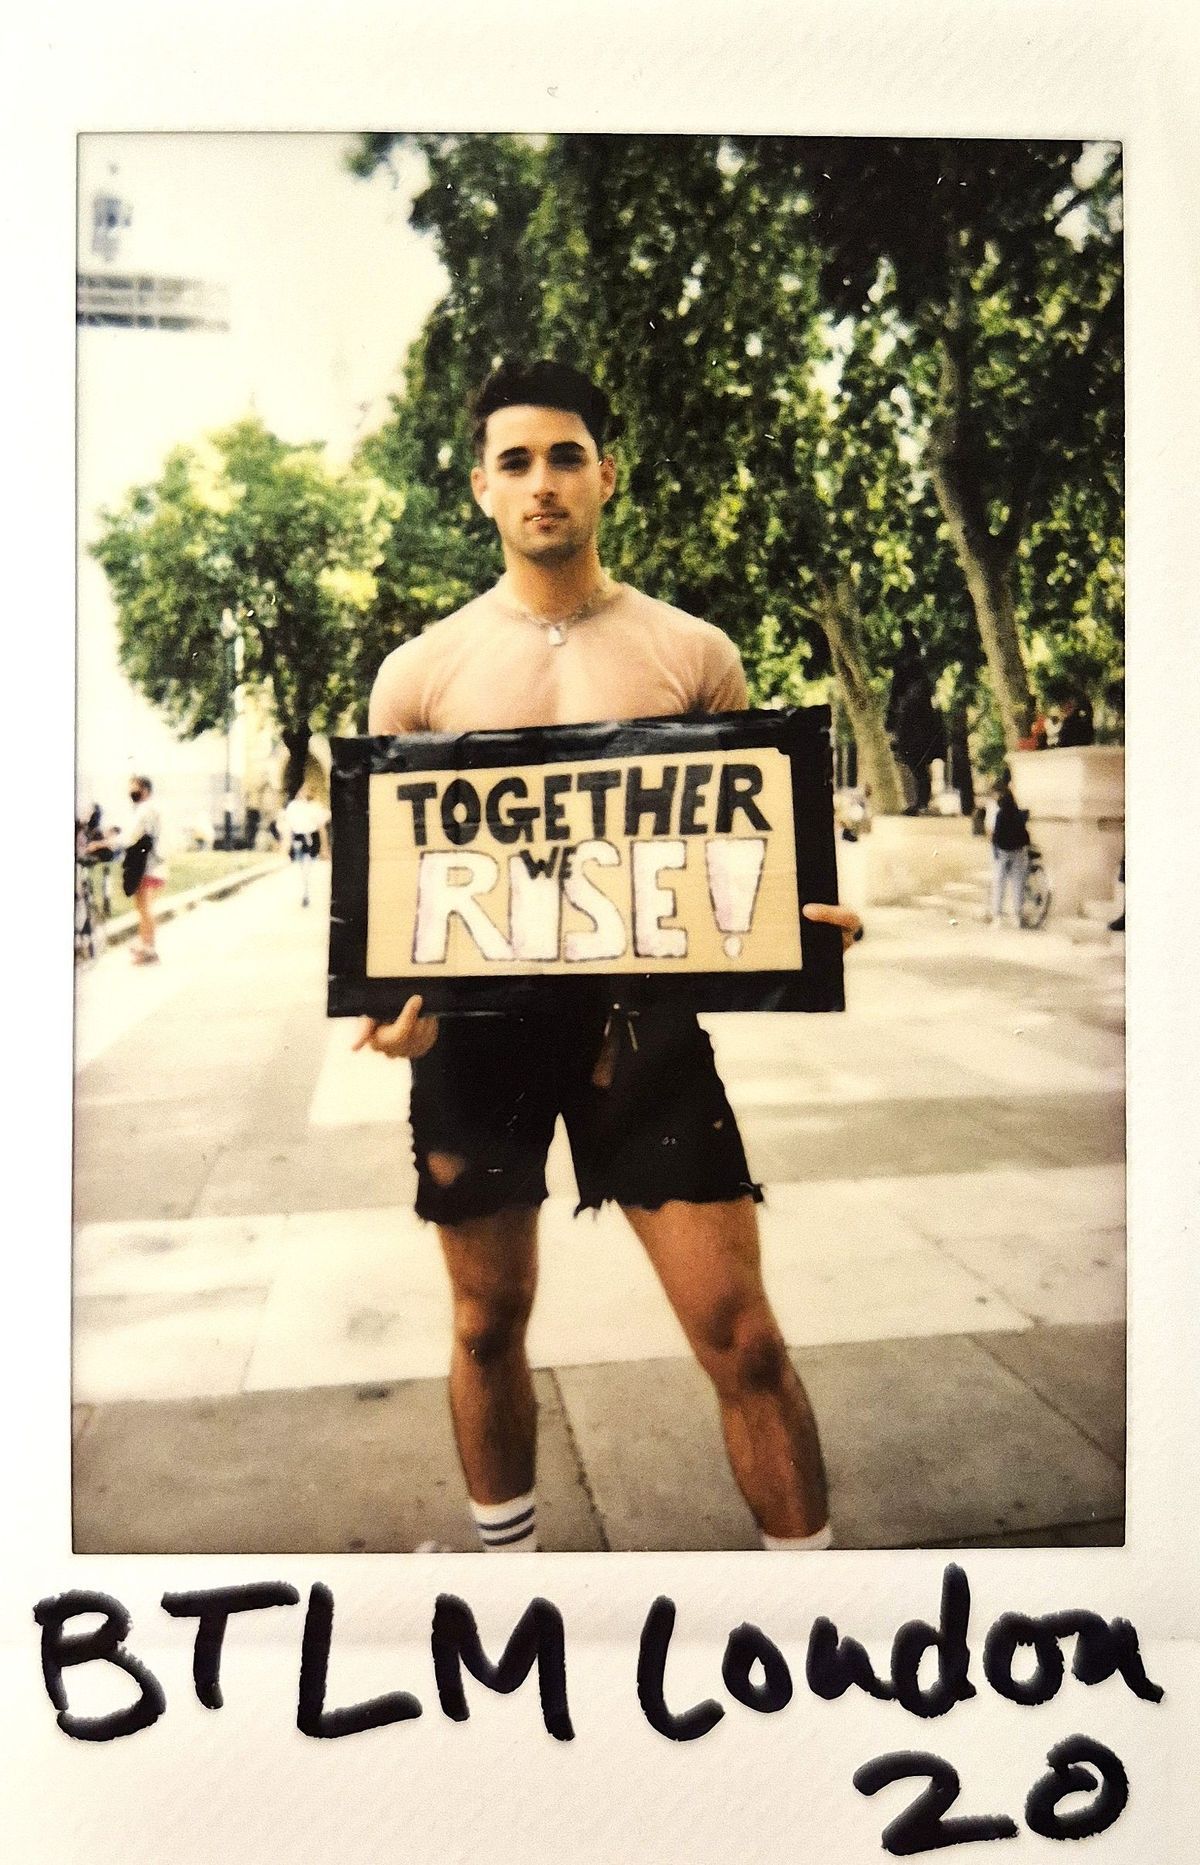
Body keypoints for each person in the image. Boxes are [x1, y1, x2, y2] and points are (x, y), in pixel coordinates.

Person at [354, 358, 862, 1555]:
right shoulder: (418, 675)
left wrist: (801, 921)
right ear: (481, 486)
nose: (543, 481)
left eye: (566, 456)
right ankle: (509, 1582)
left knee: (743, 1333)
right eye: (516, 461)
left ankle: (818, 1598)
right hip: (479, 1044)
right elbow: (397, 897)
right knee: (486, 1323)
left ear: (607, 475)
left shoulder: (693, 653)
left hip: (643, 1027)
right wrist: (394, 1006)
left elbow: (741, 850)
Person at [121, 774, 166, 964]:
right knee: (142, 908)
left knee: (145, 908)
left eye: (134, 788)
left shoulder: (146, 810)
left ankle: (150, 949)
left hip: (149, 865)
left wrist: (107, 843)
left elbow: (132, 836)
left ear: (145, 791)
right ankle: (145, 946)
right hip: (149, 864)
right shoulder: (147, 809)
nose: (131, 792)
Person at [989, 771, 1031, 926]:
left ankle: (997, 915)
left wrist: (995, 847)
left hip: (1002, 851)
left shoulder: (999, 813)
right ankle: (1017, 915)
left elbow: (995, 834)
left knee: (999, 882)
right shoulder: (1016, 811)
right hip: (1018, 849)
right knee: (1018, 883)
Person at [283, 785, 329, 907]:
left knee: (307, 867)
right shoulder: (293, 806)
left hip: (310, 839)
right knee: (299, 867)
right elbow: (288, 826)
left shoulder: (315, 807)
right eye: (302, 790)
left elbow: (321, 829)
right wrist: (286, 844)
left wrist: (324, 848)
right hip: (297, 838)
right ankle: (303, 892)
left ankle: (306, 892)